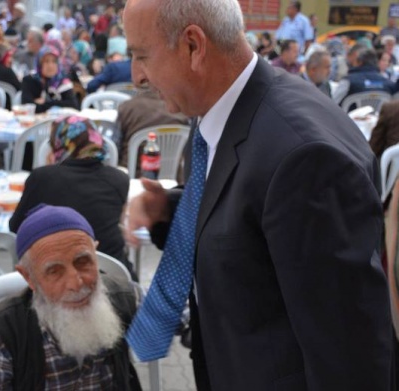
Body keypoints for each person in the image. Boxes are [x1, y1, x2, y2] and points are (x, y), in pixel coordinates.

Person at [123, 0, 393, 389]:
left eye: (141, 55)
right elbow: (257, 221)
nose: (137, 76)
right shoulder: (226, 116)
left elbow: (349, 356)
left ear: (194, 46)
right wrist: (171, 209)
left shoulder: (304, 159)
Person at [0, 204, 142, 390]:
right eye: (54, 271)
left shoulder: (124, 297)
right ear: (29, 277)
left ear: (95, 254)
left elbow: (168, 321)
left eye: (83, 261)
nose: (75, 284)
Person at [10, 115, 132, 273]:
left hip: (58, 276)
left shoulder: (42, 177)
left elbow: (15, 227)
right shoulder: (119, 179)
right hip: (112, 273)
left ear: (60, 144)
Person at [116, 89, 189, 168]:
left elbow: (116, 146)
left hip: (132, 171)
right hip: (173, 174)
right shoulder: (179, 109)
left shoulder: (127, 107)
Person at [21, 45, 78, 113]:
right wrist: (60, 103)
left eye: (54, 62)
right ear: (39, 64)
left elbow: (74, 106)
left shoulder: (63, 82)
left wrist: (46, 102)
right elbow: (27, 106)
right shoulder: (30, 80)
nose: (50, 66)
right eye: (46, 61)